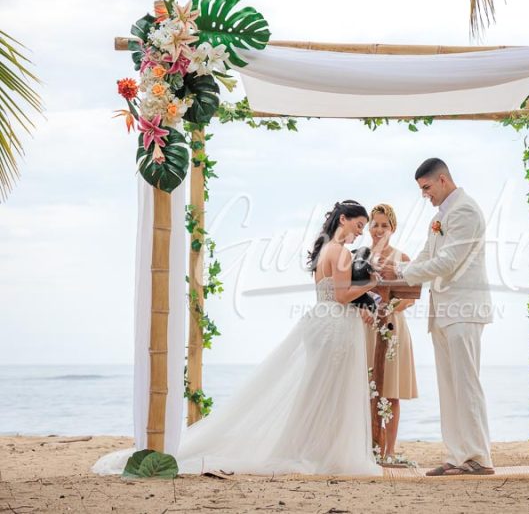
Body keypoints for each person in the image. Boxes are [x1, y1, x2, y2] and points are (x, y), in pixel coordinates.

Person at [93, 200, 382, 476]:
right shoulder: (341, 253)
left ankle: (309, 448)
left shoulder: (324, 251)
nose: (360, 232)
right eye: (358, 225)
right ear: (343, 219)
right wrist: (371, 283)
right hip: (334, 326)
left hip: (320, 322)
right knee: (331, 391)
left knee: (316, 390)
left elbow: (331, 292)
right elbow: (343, 295)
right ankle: (322, 452)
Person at [380, 158, 495, 476]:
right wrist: (395, 273)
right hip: (444, 311)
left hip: (464, 309)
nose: (424, 195)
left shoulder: (466, 211)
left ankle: (478, 457)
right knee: (449, 385)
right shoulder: (441, 216)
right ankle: (458, 455)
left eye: (426, 188)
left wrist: (400, 270)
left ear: (443, 180)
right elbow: (427, 256)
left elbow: (447, 262)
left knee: (466, 383)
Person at [364, 203, 418, 462]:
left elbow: (411, 298)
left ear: (393, 228)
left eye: (385, 225)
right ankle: (369, 446)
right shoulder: (360, 258)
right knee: (366, 388)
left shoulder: (402, 259)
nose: (379, 229)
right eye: (375, 224)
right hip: (366, 329)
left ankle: (390, 450)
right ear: (368, 226)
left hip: (393, 327)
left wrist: (389, 307)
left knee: (391, 390)